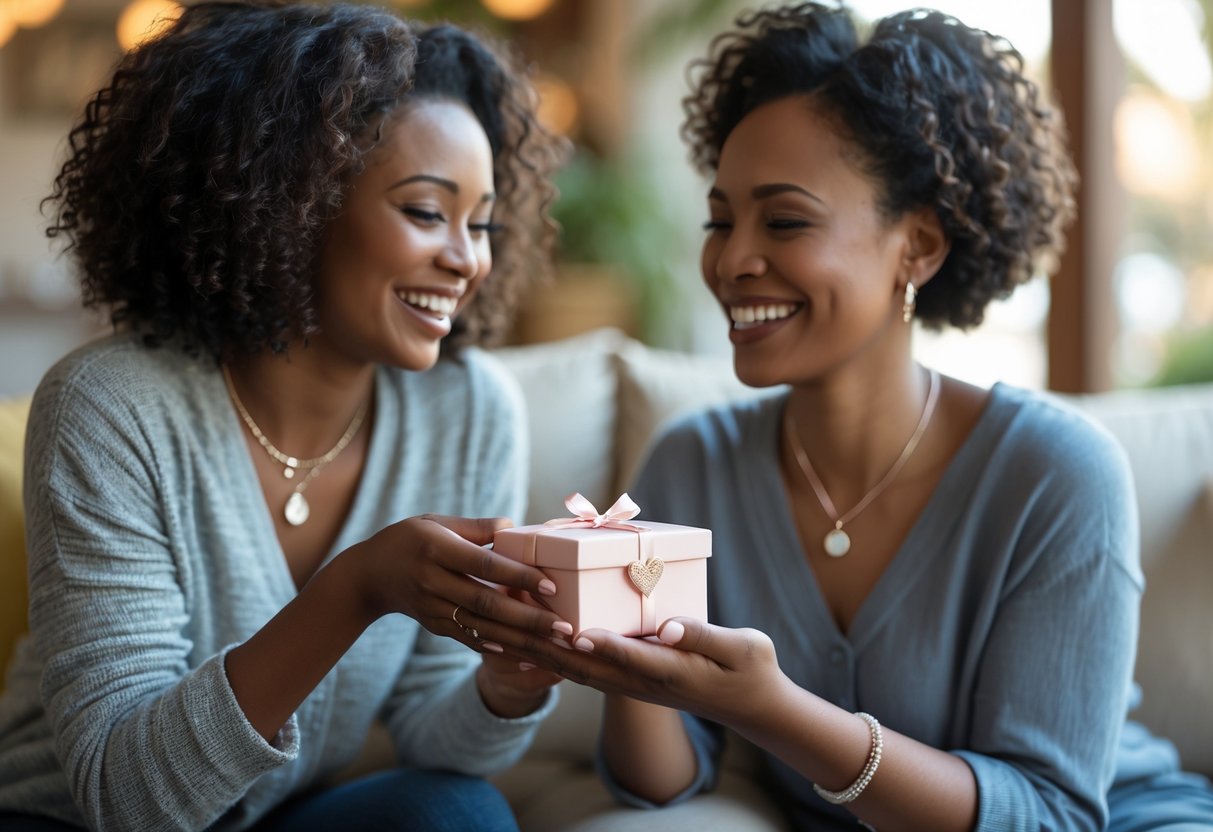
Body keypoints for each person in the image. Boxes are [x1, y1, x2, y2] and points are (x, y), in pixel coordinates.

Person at [509, 3, 1213, 830]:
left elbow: (1051, 812)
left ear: (916, 245)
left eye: (785, 221)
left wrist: (777, 710)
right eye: (719, 220)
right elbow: (661, 784)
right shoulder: (690, 463)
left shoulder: (1056, 473)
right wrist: (614, 656)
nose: (732, 259)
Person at [0, 3, 571, 831]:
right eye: (424, 212)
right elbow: (125, 799)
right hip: (69, 821)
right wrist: (355, 589)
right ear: (290, 202)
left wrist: (508, 684)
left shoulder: (470, 409)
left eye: (480, 225)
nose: (466, 259)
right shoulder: (112, 407)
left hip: (278, 814)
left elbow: (435, 736)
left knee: (456, 810)